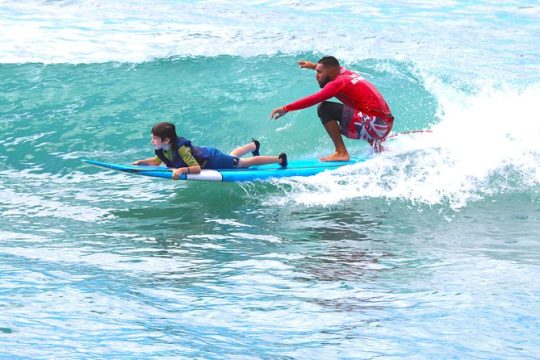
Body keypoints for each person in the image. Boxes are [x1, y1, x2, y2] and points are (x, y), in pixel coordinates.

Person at [270, 56, 394, 161]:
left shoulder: (337, 83)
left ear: (330, 73)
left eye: (319, 72)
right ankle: (378, 148)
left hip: (376, 126)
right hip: (384, 124)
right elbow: (332, 69)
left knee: (324, 108)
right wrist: (313, 66)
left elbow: (315, 98)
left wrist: (286, 108)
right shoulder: (345, 73)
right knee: (359, 109)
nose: (316, 76)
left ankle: (341, 153)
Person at [133, 122, 287, 180]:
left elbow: (197, 169)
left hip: (212, 158)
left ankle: (279, 159)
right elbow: (157, 162)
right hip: (207, 155)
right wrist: (141, 163)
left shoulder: (182, 150)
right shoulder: (161, 149)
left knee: (242, 163)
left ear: (166, 140)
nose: (152, 141)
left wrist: (181, 170)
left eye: (154, 138)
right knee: (233, 157)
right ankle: (253, 146)